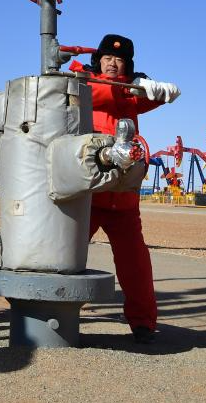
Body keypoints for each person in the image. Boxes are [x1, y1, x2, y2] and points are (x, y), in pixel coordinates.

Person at [70, 33, 180, 343]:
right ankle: (57, 312)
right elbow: (100, 94)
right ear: (98, 59)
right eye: (107, 57)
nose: (113, 63)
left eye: (119, 59)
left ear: (127, 65)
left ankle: (143, 323)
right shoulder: (82, 83)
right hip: (88, 194)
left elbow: (156, 97)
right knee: (65, 258)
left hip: (122, 195)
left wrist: (154, 88)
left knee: (135, 263)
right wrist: (136, 87)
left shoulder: (131, 91)